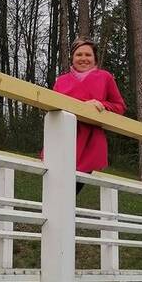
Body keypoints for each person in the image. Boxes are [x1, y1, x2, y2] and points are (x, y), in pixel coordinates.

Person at [52, 37, 126, 190]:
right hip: (62, 138)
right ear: (72, 57)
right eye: (79, 54)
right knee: (54, 187)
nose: (83, 58)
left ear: (95, 58)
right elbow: (52, 108)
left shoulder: (105, 77)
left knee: (71, 190)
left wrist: (102, 105)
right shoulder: (61, 80)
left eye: (88, 55)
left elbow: (119, 107)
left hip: (90, 142)